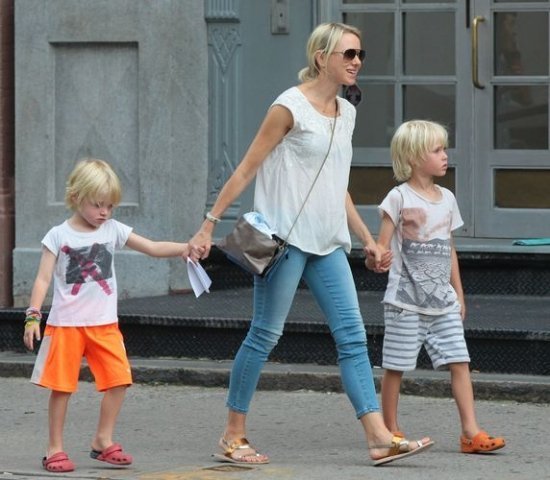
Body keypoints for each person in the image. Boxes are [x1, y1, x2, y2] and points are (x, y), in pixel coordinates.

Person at [188, 22, 433, 467]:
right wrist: (209, 224)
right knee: (265, 334)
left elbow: (336, 185)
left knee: (353, 337)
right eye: (348, 54)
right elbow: (246, 168)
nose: (357, 61)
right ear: (322, 58)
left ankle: (379, 437)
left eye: (360, 54)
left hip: (328, 242)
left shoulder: (347, 113)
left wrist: (365, 238)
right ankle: (232, 434)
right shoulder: (289, 107)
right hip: (284, 240)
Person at [23, 158, 190, 473]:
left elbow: (153, 247)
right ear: (76, 197)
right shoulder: (57, 235)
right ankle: (54, 448)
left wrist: (186, 248)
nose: (105, 212)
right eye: (98, 205)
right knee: (62, 387)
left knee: (119, 379)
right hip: (66, 326)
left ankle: (102, 439)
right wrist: (33, 316)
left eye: (110, 206)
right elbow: (43, 279)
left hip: (104, 325)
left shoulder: (113, 230)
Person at [371, 120, 506, 454]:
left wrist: (458, 293)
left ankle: (470, 432)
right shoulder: (398, 198)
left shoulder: (447, 198)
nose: (445, 155)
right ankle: (390, 431)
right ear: (414, 157)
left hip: (442, 301)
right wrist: (376, 260)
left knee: (459, 361)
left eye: (444, 148)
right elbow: (380, 248)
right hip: (405, 302)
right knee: (396, 367)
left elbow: (450, 249)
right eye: (437, 150)